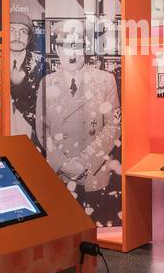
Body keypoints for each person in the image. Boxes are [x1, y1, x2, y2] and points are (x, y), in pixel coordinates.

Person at [36, 18, 120, 223]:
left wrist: (84, 161)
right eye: (66, 46)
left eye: (77, 46)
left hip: (93, 174)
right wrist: (62, 163)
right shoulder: (47, 83)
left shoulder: (105, 80)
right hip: (59, 174)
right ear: (57, 49)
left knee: (93, 232)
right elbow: (41, 129)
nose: (72, 53)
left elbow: (113, 126)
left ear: (85, 48)